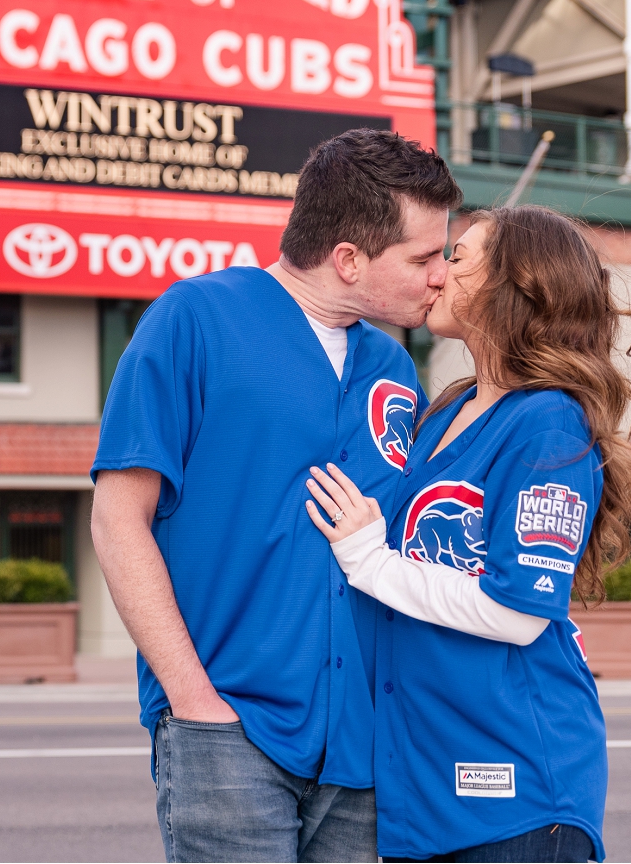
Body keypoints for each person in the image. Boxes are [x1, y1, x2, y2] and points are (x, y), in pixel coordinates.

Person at [92, 129, 463, 862]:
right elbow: (116, 519)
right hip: (232, 727)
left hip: (364, 747)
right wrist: (195, 704)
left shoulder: (392, 363)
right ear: (349, 259)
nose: (441, 276)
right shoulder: (194, 319)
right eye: (424, 257)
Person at [303, 205, 631, 863]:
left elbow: (517, 613)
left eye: (455, 257)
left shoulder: (548, 423)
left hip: (515, 789)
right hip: (424, 793)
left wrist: (368, 560)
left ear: (513, 283)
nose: (435, 274)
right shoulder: (443, 415)